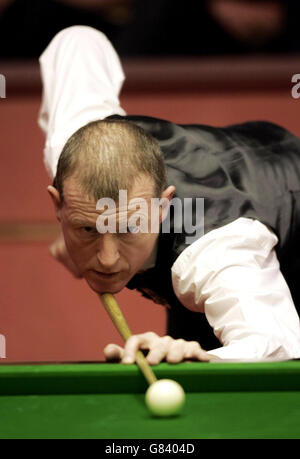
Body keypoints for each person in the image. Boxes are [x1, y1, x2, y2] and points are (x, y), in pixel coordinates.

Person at [38, 26, 300, 364]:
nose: (105, 259)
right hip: (233, 158)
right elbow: (77, 40)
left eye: (128, 229)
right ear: (58, 204)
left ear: (162, 207)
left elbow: (277, 344)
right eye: (88, 229)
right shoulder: (74, 144)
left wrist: (202, 356)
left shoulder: (217, 252)